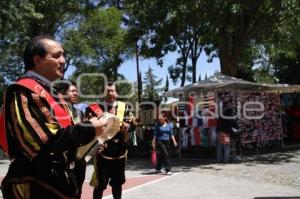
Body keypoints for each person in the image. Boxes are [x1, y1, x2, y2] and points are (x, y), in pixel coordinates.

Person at [1, 36, 108, 199]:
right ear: (38, 60)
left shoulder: (53, 93)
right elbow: (42, 144)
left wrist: (92, 144)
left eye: (63, 55)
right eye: (57, 55)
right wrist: (89, 128)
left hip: (59, 181)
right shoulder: (22, 90)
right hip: (37, 183)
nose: (63, 60)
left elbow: (65, 139)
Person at [86, 83, 132, 199]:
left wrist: (128, 126)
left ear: (116, 93)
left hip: (120, 152)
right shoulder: (94, 108)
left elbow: (133, 124)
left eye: (112, 91)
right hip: (102, 152)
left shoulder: (125, 107)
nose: (110, 93)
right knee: (100, 185)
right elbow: (88, 126)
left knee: (117, 184)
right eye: (107, 91)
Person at [57, 80, 87, 199]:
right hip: (63, 161)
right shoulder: (56, 110)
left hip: (79, 158)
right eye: (72, 91)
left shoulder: (79, 111)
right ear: (63, 93)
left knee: (78, 190)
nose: (76, 93)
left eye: (76, 91)